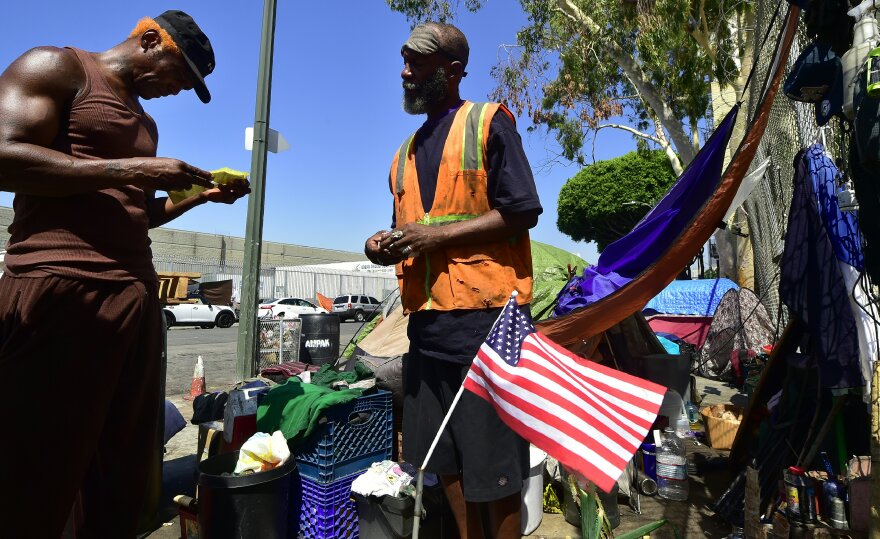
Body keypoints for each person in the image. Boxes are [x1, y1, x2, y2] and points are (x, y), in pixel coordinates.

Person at [0, 10, 248, 536]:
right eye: (180, 75)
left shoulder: (144, 122)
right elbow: (4, 157)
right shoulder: (58, 67)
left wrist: (201, 195)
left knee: (119, 471)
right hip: (60, 289)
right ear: (150, 39)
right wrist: (140, 168)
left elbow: (133, 210)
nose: (179, 90)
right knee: (37, 464)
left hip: (131, 299)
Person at [365, 22, 542, 539]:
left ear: (453, 70)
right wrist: (384, 245)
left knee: (496, 465)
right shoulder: (403, 155)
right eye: (404, 59)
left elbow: (522, 210)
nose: (405, 71)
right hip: (427, 330)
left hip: (486, 325)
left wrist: (433, 240)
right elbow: (413, 230)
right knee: (444, 462)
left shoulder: (487, 123)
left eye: (418, 61)